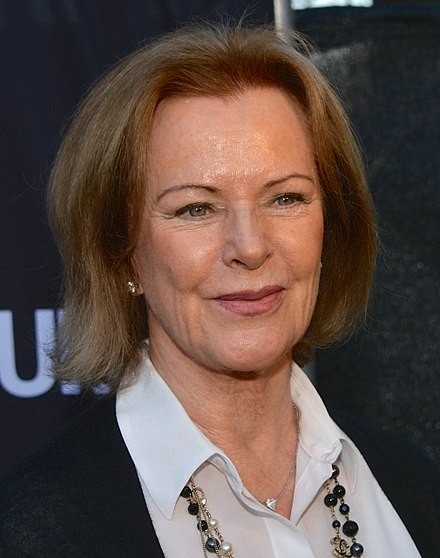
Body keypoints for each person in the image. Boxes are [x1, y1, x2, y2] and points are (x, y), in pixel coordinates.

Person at [0, 23, 438, 558]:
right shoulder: (30, 531)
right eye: (196, 209)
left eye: (285, 198)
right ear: (122, 254)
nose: (249, 247)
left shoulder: (413, 491)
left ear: (331, 228)